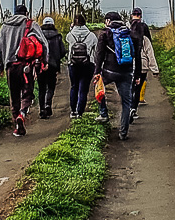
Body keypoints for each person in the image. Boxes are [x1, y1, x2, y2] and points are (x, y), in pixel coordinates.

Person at [0, 3, 46, 136]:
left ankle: (17, 124)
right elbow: (43, 43)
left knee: (14, 95)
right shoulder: (31, 24)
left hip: (10, 66)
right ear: (26, 14)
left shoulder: (4, 27)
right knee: (27, 92)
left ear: (14, 13)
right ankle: (23, 114)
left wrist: (0, 66)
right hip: (26, 66)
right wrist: (43, 62)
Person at [95, 10, 137, 139]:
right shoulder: (129, 33)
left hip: (109, 71)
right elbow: (136, 54)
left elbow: (99, 54)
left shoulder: (105, 34)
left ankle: (103, 113)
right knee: (126, 103)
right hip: (126, 72)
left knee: (99, 88)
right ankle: (123, 133)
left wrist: (97, 72)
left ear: (108, 21)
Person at [64, 11, 98, 118]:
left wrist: (71, 28)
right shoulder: (91, 35)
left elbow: (67, 39)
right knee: (83, 89)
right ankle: (80, 112)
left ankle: (73, 111)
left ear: (74, 23)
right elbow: (96, 50)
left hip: (73, 64)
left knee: (74, 86)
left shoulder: (70, 35)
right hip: (88, 64)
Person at [127, 7, 153, 122]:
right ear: (141, 16)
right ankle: (134, 108)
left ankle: (127, 108)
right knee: (138, 86)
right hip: (142, 61)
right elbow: (149, 44)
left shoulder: (127, 27)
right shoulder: (144, 27)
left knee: (129, 87)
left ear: (132, 15)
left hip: (128, 60)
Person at [38, 15, 66, 117]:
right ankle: (48, 105)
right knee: (50, 87)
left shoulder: (39, 36)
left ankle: (41, 110)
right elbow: (63, 51)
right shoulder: (58, 36)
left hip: (41, 65)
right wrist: (57, 58)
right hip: (53, 65)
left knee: (41, 88)